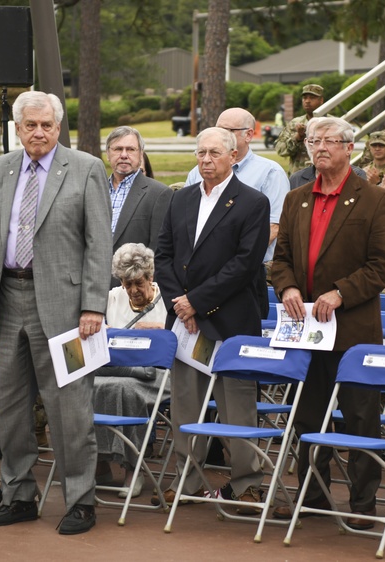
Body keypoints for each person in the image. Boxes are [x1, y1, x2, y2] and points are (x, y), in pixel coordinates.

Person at [0, 90, 111, 535]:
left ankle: (80, 501)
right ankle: (18, 496)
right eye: (30, 125)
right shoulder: (0, 168)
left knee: (69, 409)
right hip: (9, 300)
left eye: (46, 125)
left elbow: (98, 244)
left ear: (58, 126)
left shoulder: (87, 168)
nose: (39, 133)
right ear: (17, 129)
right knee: (8, 408)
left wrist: (93, 304)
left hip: (68, 308)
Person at [269, 116, 385, 528]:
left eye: (328, 141)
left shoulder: (375, 199)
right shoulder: (296, 198)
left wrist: (340, 292)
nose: (319, 147)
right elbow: (281, 258)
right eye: (313, 141)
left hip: (354, 329)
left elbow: (382, 265)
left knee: (361, 416)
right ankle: (314, 496)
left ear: (349, 147)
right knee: (307, 415)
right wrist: (287, 288)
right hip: (306, 326)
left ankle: (363, 504)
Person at [154, 126, 270, 513]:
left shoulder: (253, 202)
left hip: (232, 320)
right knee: (186, 405)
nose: (205, 160)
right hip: (186, 324)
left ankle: (247, 483)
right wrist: (179, 305)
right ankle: (187, 480)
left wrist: (197, 303)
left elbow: (244, 265)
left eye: (214, 153)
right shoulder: (180, 199)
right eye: (200, 153)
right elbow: (164, 255)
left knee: (237, 406)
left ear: (233, 157)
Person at [185, 108, 288, 305]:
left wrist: (227, 263)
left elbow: (274, 227)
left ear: (249, 134)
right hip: (201, 274)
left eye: (228, 131)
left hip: (248, 274)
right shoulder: (196, 173)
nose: (220, 136)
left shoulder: (270, 173)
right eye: (217, 129)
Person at [93, 243, 169, 499]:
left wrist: (161, 329)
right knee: (89, 386)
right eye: (127, 284)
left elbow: (181, 341)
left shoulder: (167, 300)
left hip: (158, 373)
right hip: (118, 370)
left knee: (125, 390)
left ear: (150, 277)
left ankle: (133, 470)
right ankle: (99, 463)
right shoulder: (112, 297)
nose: (133, 290)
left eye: (139, 283)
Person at [105, 126, 172, 287]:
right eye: (118, 149)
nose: (123, 155)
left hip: (134, 289)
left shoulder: (159, 193)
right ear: (108, 154)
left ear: (140, 154)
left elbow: (159, 251)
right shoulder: (94, 188)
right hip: (93, 288)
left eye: (130, 149)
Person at [275, 84, 325, 173]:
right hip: (299, 179)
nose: (307, 101)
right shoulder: (295, 123)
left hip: (325, 176)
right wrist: (297, 138)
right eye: (305, 98)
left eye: (312, 98)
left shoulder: (332, 123)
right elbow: (280, 150)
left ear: (321, 100)